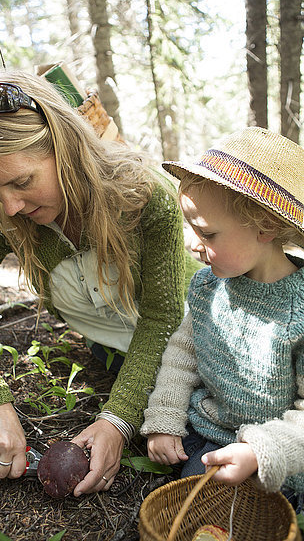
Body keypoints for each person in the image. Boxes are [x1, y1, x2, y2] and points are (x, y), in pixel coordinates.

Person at [0, 69, 199, 496]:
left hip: (194, 328)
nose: (9, 205)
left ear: (65, 149)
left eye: (22, 181)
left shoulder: (143, 194)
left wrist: (117, 419)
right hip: (111, 343)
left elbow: (163, 317)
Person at [141, 127, 304, 512]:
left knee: (261, 513)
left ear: (265, 226)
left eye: (206, 233)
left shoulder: (299, 311)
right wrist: (165, 416)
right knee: (200, 508)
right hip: (211, 434)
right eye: (190, 227)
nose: (191, 243)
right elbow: (183, 356)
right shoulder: (207, 288)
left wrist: (259, 451)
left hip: (281, 451)